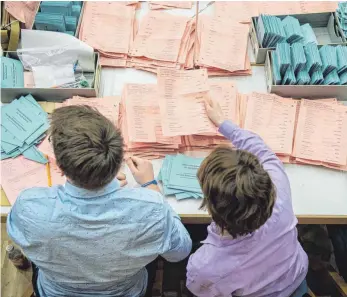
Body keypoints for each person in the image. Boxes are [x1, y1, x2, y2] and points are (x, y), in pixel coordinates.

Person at [7, 105, 192, 297]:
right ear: (118, 159)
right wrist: (151, 187)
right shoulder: (152, 209)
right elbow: (180, 252)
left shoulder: (30, 206)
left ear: (60, 167)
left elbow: (19, 234)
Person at [186, 98, 309, 297]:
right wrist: (224, 124)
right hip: (294, 278)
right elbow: (266, 154)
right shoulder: (280, 189)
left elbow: (196, 288)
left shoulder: (206, 266)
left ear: (210, 207)